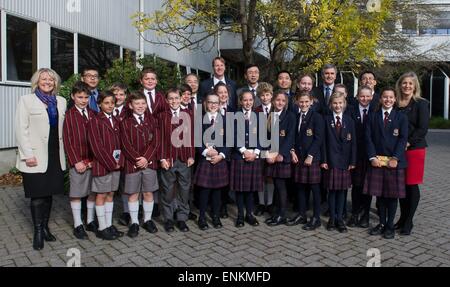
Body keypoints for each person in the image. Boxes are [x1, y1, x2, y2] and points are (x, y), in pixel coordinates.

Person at [15, 68, 66, 250]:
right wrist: (28, 154)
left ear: (55, 83)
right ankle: (37, 232)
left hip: (54, 154)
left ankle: (45, 227)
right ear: (37, 81)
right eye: (43, 79)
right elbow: (21, 129)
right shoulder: (26, 100)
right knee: (37, 196)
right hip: (35, 156)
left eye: (51, 79)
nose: (47, 82)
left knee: (49, 194)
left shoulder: (61, 101)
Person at [365, 88, 408, 239]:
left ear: (395, 99)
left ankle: (390, 225)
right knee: (380, 196)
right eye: (385, 97)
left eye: (391, 97)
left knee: (392, 196)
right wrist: (372, 157)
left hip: (393, 163)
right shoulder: (372, 116)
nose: (388, 100)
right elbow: (368, 138)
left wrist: (396, 158)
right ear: (380, 99)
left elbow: (403, 139)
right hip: (377, 162)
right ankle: (382, 223)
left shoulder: (401, 117)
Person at [120, 92, 160, 238]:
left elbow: (155, 142)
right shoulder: (125, 122)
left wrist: (146, 158)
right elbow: (125, 145)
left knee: (149, 193)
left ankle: (147, 220)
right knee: (133, 194)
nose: (140, 106)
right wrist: (138, 159)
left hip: (149, 163)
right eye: (137, 103)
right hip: (133, 164)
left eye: (143, 103)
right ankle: (135, 222)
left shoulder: (152, 121)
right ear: (130, 106)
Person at [396, 72, 429, 235]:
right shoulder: (396, 103)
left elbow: (423, 129)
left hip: (414, 149)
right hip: (398, 150)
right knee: (401, 185)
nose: (407, 86)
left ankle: (409, 221)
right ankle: (401, 218)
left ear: (415, 86)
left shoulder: (421, 103)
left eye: (410, 83)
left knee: (411, 184)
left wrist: (407, 143)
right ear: (400, 85)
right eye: (404, 83)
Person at [87, 91, 124, 240]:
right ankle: (101, 227)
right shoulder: (95, 121)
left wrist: (119, 162)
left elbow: (121, 143)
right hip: (103, 165)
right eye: (106, 103)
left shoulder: (116, 120)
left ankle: (108, 225)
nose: (110, 105)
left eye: (112, 103)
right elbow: (96, 147)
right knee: (101, 195)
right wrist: (111, 163)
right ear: (100, 104)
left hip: (116, 165)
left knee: (111, 194)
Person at [157, 88, 195, 233]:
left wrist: (191, 155)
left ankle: (182, 218)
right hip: (168, 159)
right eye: (171, 98)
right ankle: (168, 219)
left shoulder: (188, 114)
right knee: (167, 190)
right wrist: (161, 158)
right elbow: (158, 140)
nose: (174, 101)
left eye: (176, 98)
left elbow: (192, 137)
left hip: (185, 159)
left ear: (181, 99)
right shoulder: (161, 116)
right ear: (166, 100)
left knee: (184, 190)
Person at [63, 81, 97, 240]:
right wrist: (76, 161)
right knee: (77, 192)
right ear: (73, 97)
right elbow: (67, 140)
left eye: (86, 97)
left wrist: (95, 159)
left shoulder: (93, 114)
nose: (83, 100)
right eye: (80, 97)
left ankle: (90, 220)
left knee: (92, 191)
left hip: (93, 160)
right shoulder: (69, 115)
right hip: (78, 161)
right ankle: (78, 224)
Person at [193, 92, 229, 230]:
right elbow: (196, 140)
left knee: (217, 191)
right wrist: (206, 151)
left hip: (220, 160)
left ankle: (215, 216)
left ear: (220, 105)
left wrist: (221, 155)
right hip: (205, 160)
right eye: (210, 102)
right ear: (205, 104)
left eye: (216, 102)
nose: (213, 105)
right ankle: (202, 217)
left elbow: (229, 141)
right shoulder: (199, 120)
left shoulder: (226, 120)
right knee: (204, 190)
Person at [321, 92, 356, 233]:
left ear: (344, 104)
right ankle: (332, 218)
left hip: (345, 162)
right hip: (330, 161)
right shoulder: (326, 120)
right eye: (335, 103)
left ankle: (340, 219)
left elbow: (353, 143)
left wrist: (353, 161)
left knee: (342, 191)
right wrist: (323, 160)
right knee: (332, 192)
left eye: (340, 103)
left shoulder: (349, 121)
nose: (337, 105)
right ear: (331, 105)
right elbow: (323, 142)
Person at [289, 91, 325, 230]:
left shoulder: (317, 117)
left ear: (311, 102)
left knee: (315, 189)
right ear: (297, 102)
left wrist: (311, 155)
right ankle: (302, 214)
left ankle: (316, 218)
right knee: (301, 187)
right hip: (299, 157)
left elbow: (319, 138)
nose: (303, 104)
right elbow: (293, 136)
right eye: (301, 102)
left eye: (306, 102)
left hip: (312, 158)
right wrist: (292, 151)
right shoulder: (296, 116)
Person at [230, 90, 262, 228]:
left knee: (250, 188)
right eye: (245, 100)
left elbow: (263, 137)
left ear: (253, 101)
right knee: (240, 189)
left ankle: (250, 214)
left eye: (250, 100)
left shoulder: (259, 116)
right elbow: (233, 136)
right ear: (240, 101)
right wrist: (243, 151)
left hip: (254, 156)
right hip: (239, 156)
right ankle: (240, 216)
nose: (248, 102)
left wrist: (255, 152)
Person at [264, 91, 296, 226]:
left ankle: (282, 215)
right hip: (272, 156)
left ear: (286, 102)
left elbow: (290, 137)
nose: (280, 103)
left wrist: (281, 154)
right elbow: (265, 137)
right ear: (273, 101)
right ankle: (276, 213)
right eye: (278, 100)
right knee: (276, 185)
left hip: (282, 157)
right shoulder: (270, 116)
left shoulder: (290, 116)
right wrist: (267, 154)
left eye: (283, 101)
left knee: (281, 186)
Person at [348, 86, 375, 229]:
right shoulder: (351, 110)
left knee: (368, 186)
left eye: (367, 96)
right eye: (362, 96)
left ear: (371, 97)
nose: (364, 99)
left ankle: (365, 215)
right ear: (357, 97)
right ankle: (355, 213)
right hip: (355, 154)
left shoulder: (375, 111)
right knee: (357, 186)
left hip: (370, 155)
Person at [254, 82, 275, 217]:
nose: (265, 97)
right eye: (262, 95)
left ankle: (271, 203)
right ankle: (262, 204)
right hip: (260, 147)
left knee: (270, 177)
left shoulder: (276, 109)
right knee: (261, 176)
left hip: (273, 148)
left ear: (271, 96)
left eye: (267, 95)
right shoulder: (256, 111)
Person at [215, 82, 234, 218]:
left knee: (226, 181)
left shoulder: (234, 110)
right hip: (215, 151)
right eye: (220, 92)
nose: (223, 95)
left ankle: (223, 207)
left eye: (225, 92)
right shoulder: (210, 110)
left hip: (230, 151)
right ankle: (215, 205)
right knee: (216, 180)